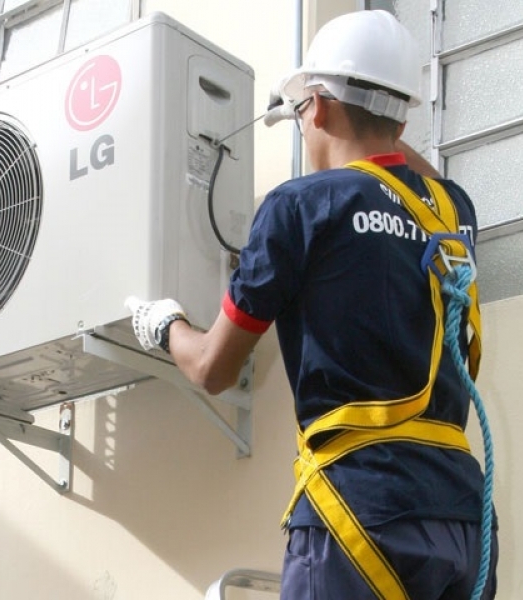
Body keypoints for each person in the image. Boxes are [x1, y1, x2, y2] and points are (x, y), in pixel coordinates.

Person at [126, 9, 498, 600]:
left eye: (305, 113)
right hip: (460, 521)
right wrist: (335, 104)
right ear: (401, 114)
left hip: (359, 512)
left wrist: (164, 324)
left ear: (319, 107)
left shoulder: (299, 207)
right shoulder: (454, 213)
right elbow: (401, 168)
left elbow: (211, 368)